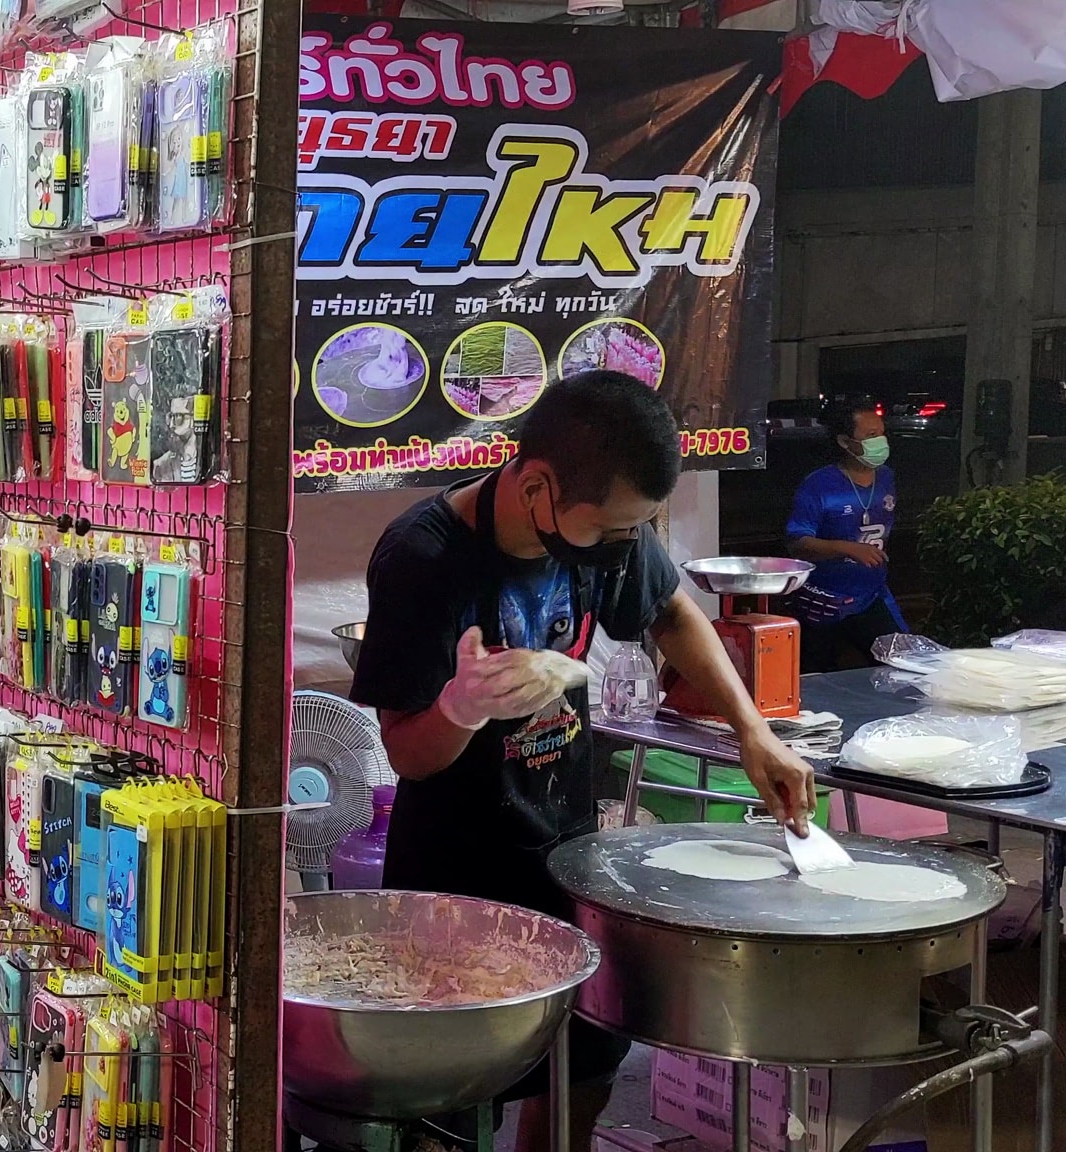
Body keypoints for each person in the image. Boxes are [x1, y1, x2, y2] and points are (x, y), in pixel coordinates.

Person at [348, 371, 817, 1152]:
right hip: (455, 872)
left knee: (585, 1061)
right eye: (609, 529)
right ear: (537, 485)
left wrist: (751, 729)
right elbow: (407, 752)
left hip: (568, 847)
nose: (623, 546)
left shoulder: (610, 537)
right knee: (451, 1092)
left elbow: (672, 612)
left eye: (636, 529)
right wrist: (461, 707)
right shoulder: (424, 558)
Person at [785, 396, 908, 671]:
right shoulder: (819, 485)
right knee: (816, 677)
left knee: (902, 666)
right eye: (871, 436)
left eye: (882, 434)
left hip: (871, 596)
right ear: (845, 441)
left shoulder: (886, 477)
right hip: (823, 601)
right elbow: (797, 543)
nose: (881, 442)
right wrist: (847, 548)